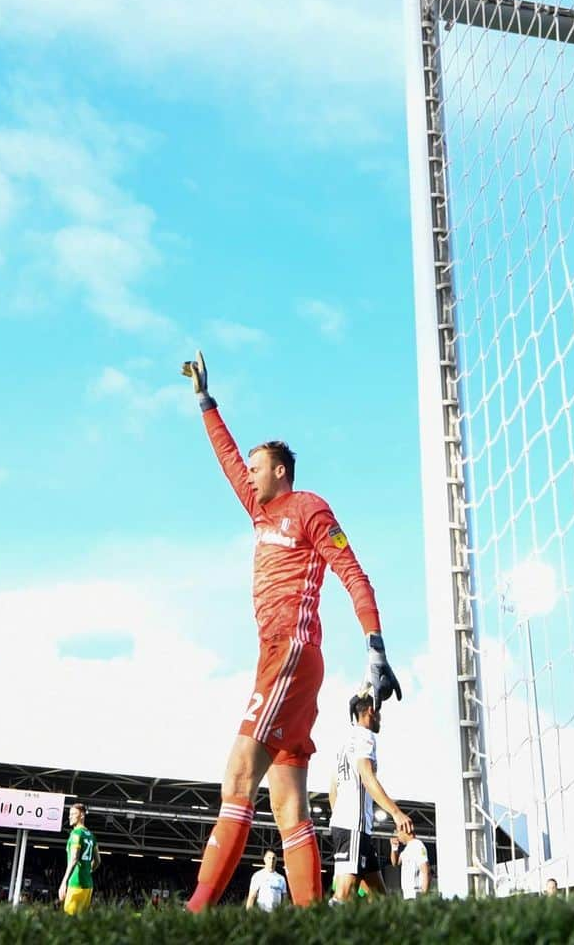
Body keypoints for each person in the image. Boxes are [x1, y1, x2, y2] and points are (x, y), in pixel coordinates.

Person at [180, 351, 402, 911]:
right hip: (282, 658)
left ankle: (195, 912)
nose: (248, 476)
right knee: (288, 806)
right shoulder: (259, 511)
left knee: (236, 778)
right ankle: (311, 917)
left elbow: (352, 570)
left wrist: (375, 645)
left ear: (280, 471)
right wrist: (207, 403)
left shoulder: (307, 509)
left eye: (258, 468)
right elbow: (229, 459)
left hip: (291, 654)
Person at [328, 692, 413, 901]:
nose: (381, 720)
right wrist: (396, 812)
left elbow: (333, 788)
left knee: (379, 899)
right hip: (353, 826)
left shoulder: (345, 742)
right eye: (380, 714)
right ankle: (316, 931)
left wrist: (339, 818)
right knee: (343, 895)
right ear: (371, 712)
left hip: (349, 826)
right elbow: (366, 775)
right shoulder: (365, 737)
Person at [58, 803, 100, 916]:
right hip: (88, 885)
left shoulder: (76, 834)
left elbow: (74, 859)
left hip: (76, 883)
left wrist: (64, 882)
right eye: (69, 814)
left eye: (73, 814)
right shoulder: (91, 835)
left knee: (69, 920)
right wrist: (88, 871)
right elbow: (98, 861)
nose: (69, 816)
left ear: (81, 815)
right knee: (81, 922)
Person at [390, 826, 431, 899]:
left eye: (398, 832)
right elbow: (395, 863)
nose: (397, 836)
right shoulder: (407, 849)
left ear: (405, 831)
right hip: (408, 895)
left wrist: (424, 897)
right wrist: (394, 848)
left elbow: (426, 871)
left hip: (416, 895)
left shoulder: (417, 845)